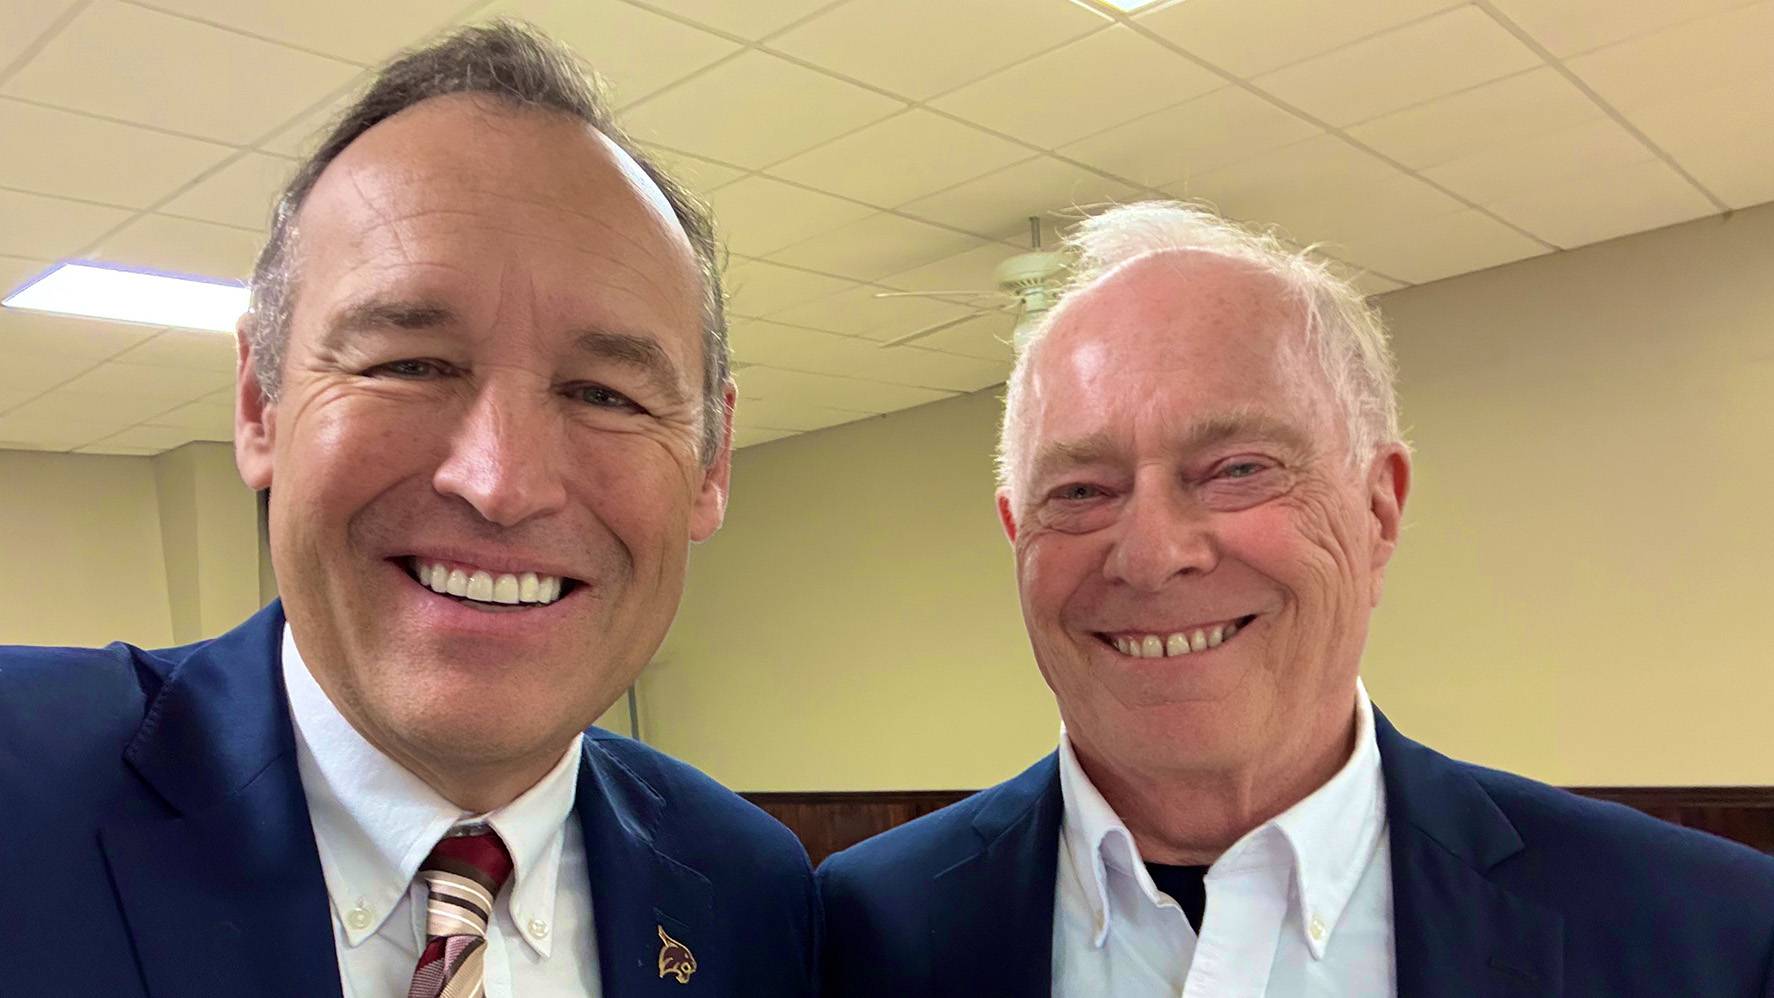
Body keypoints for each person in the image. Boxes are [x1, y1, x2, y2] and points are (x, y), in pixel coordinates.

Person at [0, 23, 817, 998]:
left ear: (711, 460)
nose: (501, 480)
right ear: (261, 405)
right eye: (409, 365)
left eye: (606, 392)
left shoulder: (752, 888)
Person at [817, 201, 1774, 996]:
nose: (1150, 554)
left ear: (1378, 509)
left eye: (1235, 468)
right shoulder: (856, 935)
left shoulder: (1709, 936)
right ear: (1015, 534)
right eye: (1080, 491)